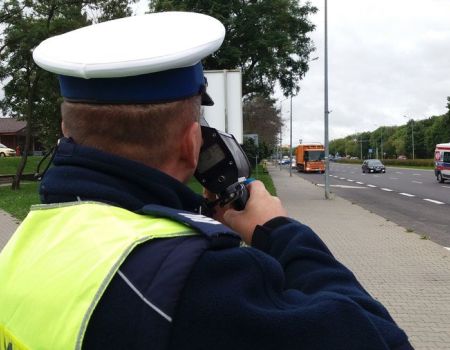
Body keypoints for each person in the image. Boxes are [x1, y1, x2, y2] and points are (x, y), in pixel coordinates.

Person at [0, 12, 412, 350]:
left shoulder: (28, 242)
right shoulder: (199, 280)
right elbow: (382, 339)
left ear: (64, 126)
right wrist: (280, 232)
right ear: (190, 143)